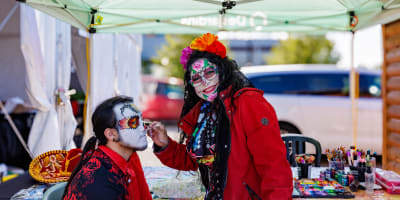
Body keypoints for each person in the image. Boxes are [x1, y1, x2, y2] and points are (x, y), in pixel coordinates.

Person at [148, 33, 293, 200]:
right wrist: (164, 144)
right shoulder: (203, 112)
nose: (204, 81)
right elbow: (193, 161)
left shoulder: (249, 103)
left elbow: (274, 167)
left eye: (209, 72)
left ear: (222, 71)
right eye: (196, 78)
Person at [63, 96, 152, 200]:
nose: (143, 128)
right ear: (111, 134)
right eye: (133, 123)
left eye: (141, 120)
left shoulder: (130, 158)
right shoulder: (101, 183)